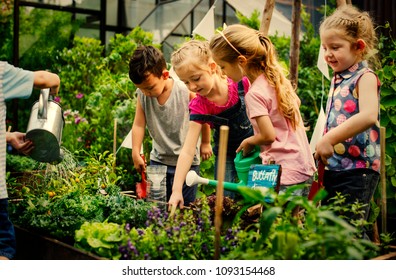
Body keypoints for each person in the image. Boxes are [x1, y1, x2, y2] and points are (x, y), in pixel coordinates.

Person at [209, 24, 316, 213]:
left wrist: (249, 140)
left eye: (223, 66)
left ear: (241, 61)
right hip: (303, 166)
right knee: (296, 227)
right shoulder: (276, 80)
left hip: (283, 173)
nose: (223, 73)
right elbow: (296, 104)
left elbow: (267, 135)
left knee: (278, 231)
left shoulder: (254, 94)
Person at [314, 5, 381, 224]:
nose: (327, 54)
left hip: (358, 170)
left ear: (358, 47)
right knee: (334, 228)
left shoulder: (365, 77)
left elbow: (369, 115)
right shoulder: (338, 78)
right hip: (336, 166)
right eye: (324, 48)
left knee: (349, 230)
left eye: (334, 47)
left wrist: (329, 138)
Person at [168, 39, 254, 209]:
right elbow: (187, 150)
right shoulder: (200, 106)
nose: (192, 86)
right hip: (227, 154)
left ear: (213, 67)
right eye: (186, 82)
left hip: (257, 149)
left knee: (259, 195)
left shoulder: (240, 83)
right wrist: (176, 189)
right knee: (225, 202)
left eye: (196, 78)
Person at [129, 45, 211, 208]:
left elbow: (203, 117)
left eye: (150, 87)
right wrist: (135, 150)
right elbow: (138, 124)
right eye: (141, 89)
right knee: (156, 208)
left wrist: (205, 143)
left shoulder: (184, 91)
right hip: (158, 160)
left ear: (165, 75)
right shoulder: (143, 95)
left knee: (184, 209)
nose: (146, 92)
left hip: (187, 162)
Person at [0, 61, 60, 260]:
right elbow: (45, 79)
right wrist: (56, 81)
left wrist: (8, 137)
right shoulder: (1, 72)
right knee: (3, 247)